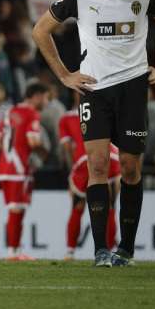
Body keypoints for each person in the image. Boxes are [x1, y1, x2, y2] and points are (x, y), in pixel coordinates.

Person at [32, 0, 155, 266]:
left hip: (134, 86)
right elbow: (41, 30)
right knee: (96, 166)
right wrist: (64, 75)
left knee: (130, 168)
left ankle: (126, 249)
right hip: (95, 88)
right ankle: (100, 250)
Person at [59, 93, 121, 260]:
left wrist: (72, 171)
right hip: (111, 160)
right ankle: (110, 251)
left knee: (77, 208)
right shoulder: (107, 111)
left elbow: (67, 148)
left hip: (83, 163)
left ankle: (70, 252)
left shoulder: (66, 119)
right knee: (110, 208)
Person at [0, 82, 50, 261]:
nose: (47, 102)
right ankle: (13, 252)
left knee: (16, 209)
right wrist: (45, 153)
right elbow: (33, 141)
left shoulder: (9, 112)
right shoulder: (31, 113)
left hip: (4, 166)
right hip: (18, 168)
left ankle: (15, 251)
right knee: (16, 210)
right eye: (46, 97)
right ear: (36, 96)